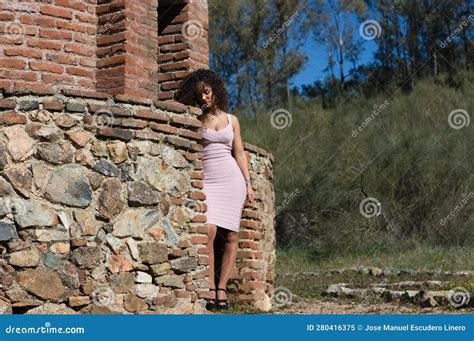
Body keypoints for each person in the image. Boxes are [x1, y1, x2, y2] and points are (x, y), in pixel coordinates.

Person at [176, 69, 255, 311]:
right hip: (209, 182)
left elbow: (239, 152)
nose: (203, 99)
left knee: (231, 235)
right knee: (208, 230)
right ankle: (210, 287)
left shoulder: (232, 120)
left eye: (207, 93)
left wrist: (248, 183)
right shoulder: (196, 121)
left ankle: (222, 288)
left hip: (232, 181)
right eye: (199, 95)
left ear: (216, 91)